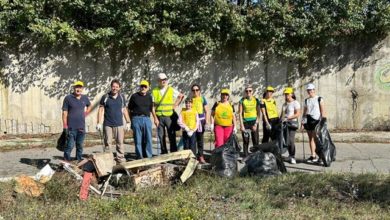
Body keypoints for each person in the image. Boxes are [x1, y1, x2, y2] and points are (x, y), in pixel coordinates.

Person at [96, 79, 130, 164]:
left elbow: (124, 109)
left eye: (116, 87)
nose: (114, 88)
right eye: (113, 86)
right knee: (108, 143)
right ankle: (109, 160)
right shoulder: (105, 97)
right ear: (111, 87)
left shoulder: (122, 97)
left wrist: (128, 122)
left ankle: (120, 159)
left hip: (119, 124)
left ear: (119, 88)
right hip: (108, 124)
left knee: (120, 142)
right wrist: (99, 123)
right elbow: (100, 110)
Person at [152, 73, 184, 154]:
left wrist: (175, 105)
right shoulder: (154, 91)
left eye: (165, 79)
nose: (163, 81)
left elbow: (181, 96)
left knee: (171, 135)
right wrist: (155, 118)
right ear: (158, 81)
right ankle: (164, 153)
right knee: (161, 136)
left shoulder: (170, 89)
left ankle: (173, 153)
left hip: (169, 116)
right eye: (162, 80)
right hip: (159, 117)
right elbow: (152, 106)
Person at [62, 81, 91, 162]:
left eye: (80, 87)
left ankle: (78, 162)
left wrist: (85, 113)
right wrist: (65, 126)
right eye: (76, 87)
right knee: (69, 146)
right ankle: (66, 162)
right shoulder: (68, 98)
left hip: (81, 127)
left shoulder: (85, 98)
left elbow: (89, 105)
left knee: (80, 146)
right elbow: (64, 113)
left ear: (82, 89)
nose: (78, 89)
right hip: (71, 127)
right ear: (74, 88)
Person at [128, 80, 155, 159]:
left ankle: (149, 156)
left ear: (148, 88)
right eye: (142, 86)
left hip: (146, 118)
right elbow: (129, 109)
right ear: (140, 87)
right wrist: (131, 121)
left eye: (145, 86)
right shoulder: (134, 96)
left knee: (148, 139)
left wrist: (155, 119)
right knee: (138, 139)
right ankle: (140, 157)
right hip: (136, 118)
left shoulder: (150, 97)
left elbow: (152, 109)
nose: (143, 88)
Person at [301, 83, 326, 163]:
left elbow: (322, 111)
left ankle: (321, 157)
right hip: (309, 120)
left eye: (311, 90)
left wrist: (322, 122)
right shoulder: (306, 100)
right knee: (310, 138)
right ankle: (313, 156)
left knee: (317, 139)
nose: (309, 91)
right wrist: (302, 122)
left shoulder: (319, 99)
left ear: (314, 90)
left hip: (317, 121)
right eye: (308, 90)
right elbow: (304, 112)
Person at [238, 85, 260, 156]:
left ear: (252, 92)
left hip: (254, 122)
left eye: (250, 91)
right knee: (245, 140)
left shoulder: (256, 100)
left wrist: (256, 124)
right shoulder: (242, 100)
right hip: (245, 123)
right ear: (245, 92)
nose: (248, 92)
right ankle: (245, 155)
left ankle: (256, 155)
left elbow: (259, 113)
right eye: (247, 91)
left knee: (255, 140)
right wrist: (241, 125)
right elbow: (240, 113)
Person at [281, 87, 300, 164]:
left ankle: (293, 157)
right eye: (285, 94)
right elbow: (282, 114)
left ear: (291, 94)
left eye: (287, 94)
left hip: (292, 124)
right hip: (285, 124)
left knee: (291, 141)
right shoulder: (284, 104)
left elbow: (298, 114)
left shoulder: (295, 103)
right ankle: (290, 155)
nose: (286, 96)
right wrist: (280, 120)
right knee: (287, 141)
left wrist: (289, 117)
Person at [190, 84, 209, 163]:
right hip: (192, 121)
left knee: (200, 140)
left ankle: (201, 156)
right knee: (192, 140)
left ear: (199, 91)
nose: (195, 92)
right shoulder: (190, 99)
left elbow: (207, 111)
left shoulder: (202, 98)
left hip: (201, 121)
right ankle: (193, 157)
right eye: (193, 90)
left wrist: (207, 122)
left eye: (197, 90)